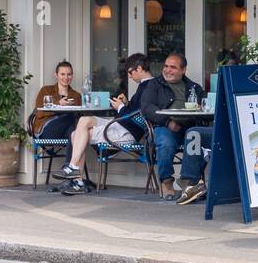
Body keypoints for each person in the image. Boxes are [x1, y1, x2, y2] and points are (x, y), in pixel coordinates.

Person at [53, 54, 153, 194]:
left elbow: (142, 119)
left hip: (126, 132)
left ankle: (76, 178)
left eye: (130, 72)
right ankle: (74, 170)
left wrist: (120, 108)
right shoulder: (144, 86)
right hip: (119, 125)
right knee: (83, 120)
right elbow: (137, 111)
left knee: (76, 134)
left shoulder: (150, 87)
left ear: (140, 68)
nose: (129, 76)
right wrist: (126, 104)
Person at [138, 53, 207, 201]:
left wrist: (202, 107)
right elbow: (146, 108)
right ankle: (167, 182)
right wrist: (167, 122)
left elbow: (206, 106)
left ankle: (189, 181)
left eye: (173, 67)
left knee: (201, 139)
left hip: (188, 127)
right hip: (164, 126)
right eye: (166, 66)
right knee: (166, 143)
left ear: (183, 70)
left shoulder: (194, 87)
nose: (168, 70)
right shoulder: (155, 84)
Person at [30, 62, 82, 140]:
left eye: (69, 74)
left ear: (72, 75)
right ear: (56, 75)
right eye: (62, 74)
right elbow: (39, 112)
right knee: (71, 118)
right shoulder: (46, 90)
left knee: (74, 135)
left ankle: (104, 150)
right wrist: (59, 104)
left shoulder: (76, 95)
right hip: (46, 129)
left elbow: (80, 116)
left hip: (67, 131)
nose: (66, 77)